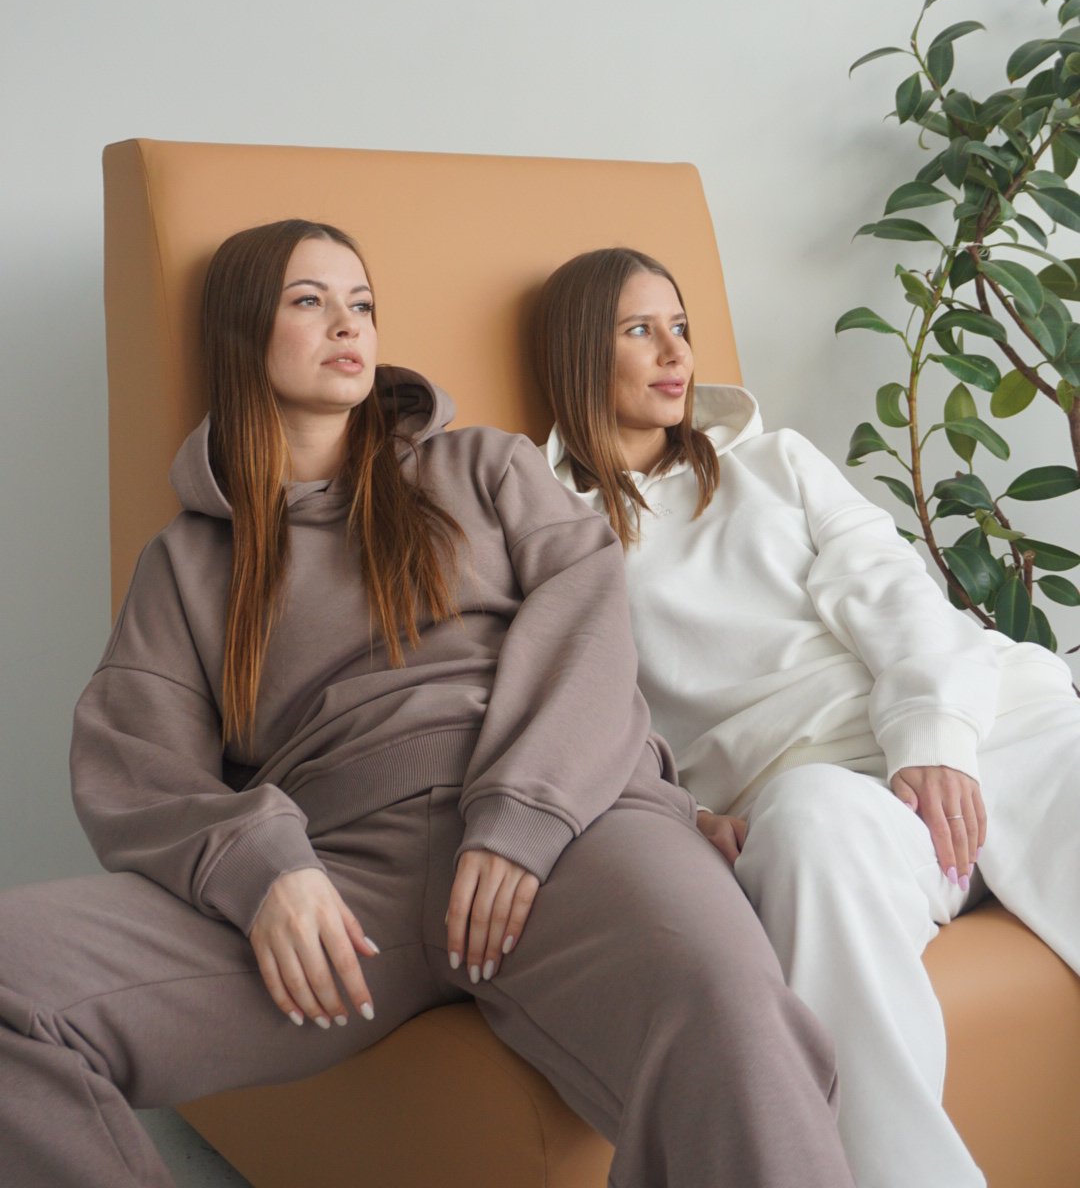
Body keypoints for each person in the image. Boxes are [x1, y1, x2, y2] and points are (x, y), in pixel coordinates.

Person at [0, 219, 856, 1188]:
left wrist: (525, 813)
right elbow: (134, 760)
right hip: (341, 881)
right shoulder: (189, 559)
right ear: (242, 332)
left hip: (572, 832)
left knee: (736, 1020)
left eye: (361, 303)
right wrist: (261, 868)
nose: (348, 324)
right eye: (310, 300)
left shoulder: (484, 466)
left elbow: (589, 629)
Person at [533, 245, 1080, 1188]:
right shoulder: (554, 536)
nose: (675, 350)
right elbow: (579, 715)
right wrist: (683, 814)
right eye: (639, 330)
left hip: (984, 729)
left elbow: (895, 590)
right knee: (807, 828)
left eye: (680, 326)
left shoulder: (775, 462)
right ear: (581, 352)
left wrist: (932, 735)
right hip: (829, 795)